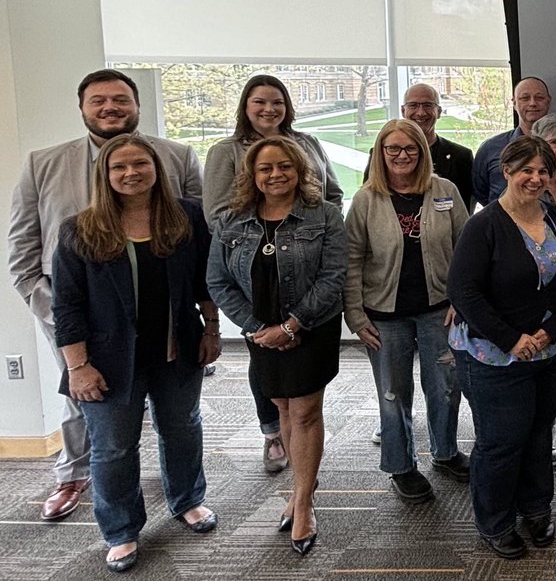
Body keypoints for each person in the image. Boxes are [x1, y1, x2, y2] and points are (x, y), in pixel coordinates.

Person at [8, 69, 203, 523]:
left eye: (120, 99)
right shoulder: (44, 163)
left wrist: (206, 320)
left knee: (178, 421)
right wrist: (67, 328)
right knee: (96, 413)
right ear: (82, 108)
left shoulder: (176, 156)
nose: (110, 107)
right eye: (99, 101)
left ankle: (184, 497)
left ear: (137, 106)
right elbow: (23, 253)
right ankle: (76, 480)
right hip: (74, 318)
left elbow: (200, 241)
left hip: (167, 324)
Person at [51, 135, 218, 573]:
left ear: (155, 167)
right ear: (104, 175)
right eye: (119, 167)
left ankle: (188, 500)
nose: (130, 173)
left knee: (182, 428)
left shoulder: (185, 216)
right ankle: (121, 530)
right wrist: (78, 367)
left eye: (139, 163)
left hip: (178, 349)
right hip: (106, 362)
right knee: (113, 448)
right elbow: (65, 307)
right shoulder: (79, 230)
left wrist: (213, 329)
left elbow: (206, 280)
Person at [448, 136, 556, 559]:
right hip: (494, 355)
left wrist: (552, 329)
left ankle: (535, 509)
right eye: (525, 170)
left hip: (551, 350)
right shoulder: (484, 225)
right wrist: (512, 339)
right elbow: (463, 291)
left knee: (538, 432)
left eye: (543, 171)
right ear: (506, 172)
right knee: (501, 441)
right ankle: (495, 522)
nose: (535, 178)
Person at [207, 136, 346, 556]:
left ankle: (302, 502)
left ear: (299, 170)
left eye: (284, 166)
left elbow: (333, 277)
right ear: (252, 175)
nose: (275, 174)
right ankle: (303, 481)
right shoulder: (231, 221)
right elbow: (218, 281)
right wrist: (255, 327)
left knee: (304, 410)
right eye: (266, 168)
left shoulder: (324, 216)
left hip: (311, 328)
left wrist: (291, 325)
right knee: (283, 407)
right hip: (260, 333)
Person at [202, 74, 343, 474]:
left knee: (305, 403)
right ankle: (272, 435)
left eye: (277, 102)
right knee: (275, 388)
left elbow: (331, 193)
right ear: (245, 106)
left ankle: (300, 485)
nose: (269, 110)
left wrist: (313, 225)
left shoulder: (308, 144)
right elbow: (217, 216)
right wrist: (251, 243)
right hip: (254, 273)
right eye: (259, 102)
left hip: (308, 263)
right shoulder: (225, 150)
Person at [344, 119, 470, 503]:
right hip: (384, 314)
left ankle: (446, 452)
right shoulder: (366, 199)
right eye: (392, 149)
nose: (401, 156)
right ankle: (400, 465)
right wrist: (355, 315)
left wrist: (461, 302)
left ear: (422, 152)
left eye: (410, 148)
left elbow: (467, 249)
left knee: (446, 387)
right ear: (380, 153)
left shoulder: (444, 190)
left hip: (439, 309)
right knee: (393, 394)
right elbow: (350, 260)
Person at [472, 77, 556, 207]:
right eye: (525, 98)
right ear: (514, 102)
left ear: (548, 101)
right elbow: (480, 193)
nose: (533, 103)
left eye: (539, 98)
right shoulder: (490, 148)